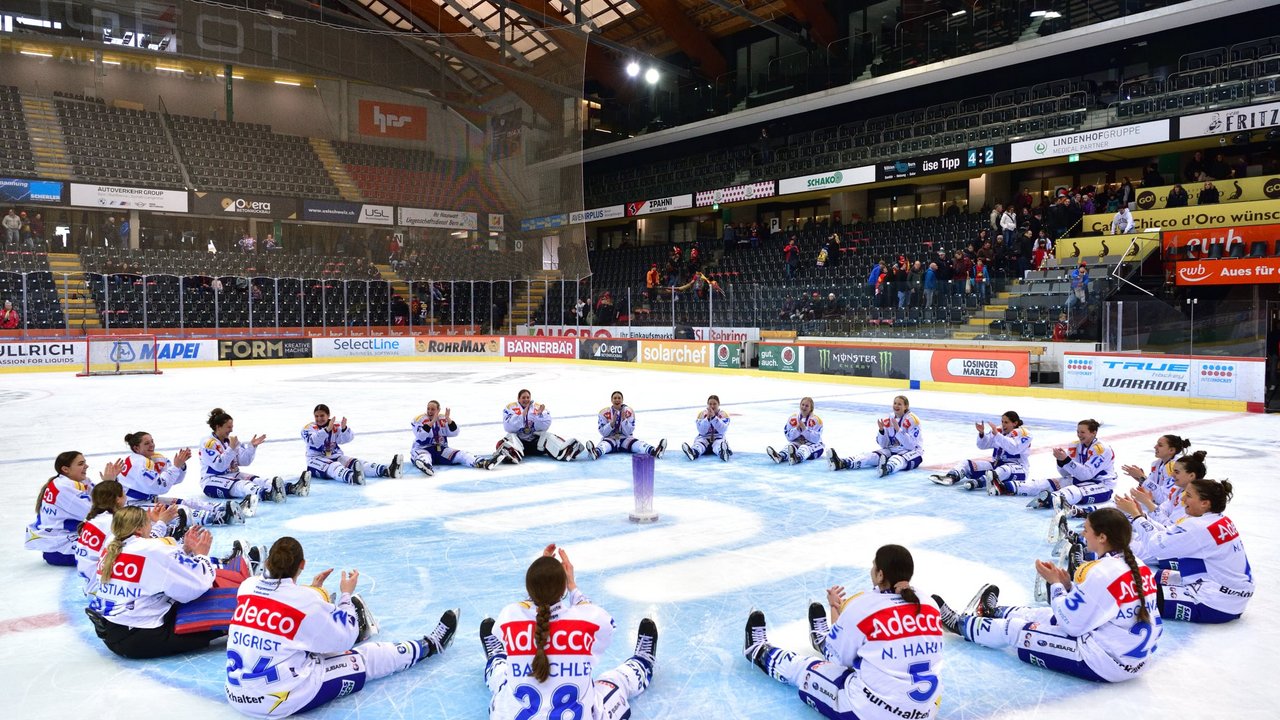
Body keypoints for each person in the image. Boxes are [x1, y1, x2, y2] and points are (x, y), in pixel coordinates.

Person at [225, 537, 458, 717]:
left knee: (299, 641)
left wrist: (315, 593)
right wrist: (346, 594)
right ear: (302, 565)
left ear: (267, 563)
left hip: (236, 694)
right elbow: (346, 637)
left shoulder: (247, 587)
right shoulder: (305, 602)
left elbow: (282, 601)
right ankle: (430, 645)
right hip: (280, 699)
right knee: (366, 657)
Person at [933, 507, 1161, 682]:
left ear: (1102, 537)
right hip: (1127, 656)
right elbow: (1101, 607)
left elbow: (1071, 624)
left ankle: (961, 625)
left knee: (1017, 630)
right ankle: (993, 611)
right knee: (1043, 614)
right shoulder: (1137, 565)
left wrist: (1056, 585)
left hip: (1102, 661)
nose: (1083, 533)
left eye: (1087, 529)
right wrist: (1068, 586)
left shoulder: (1104, 572)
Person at [742, 544, 943, 719]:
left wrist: (836, 610)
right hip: (925, 711)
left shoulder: (864, 607)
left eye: (873, 565)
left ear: (880, 574)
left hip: (869, 712)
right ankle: (825, 638)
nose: (871, 569)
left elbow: (836, 659)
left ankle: (757, 650)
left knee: (806, 667)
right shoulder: (929, 603)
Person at [480, 544, 656, 720]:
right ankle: (643, 662)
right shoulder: (586, 619)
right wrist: (573, 587)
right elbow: (606, 625)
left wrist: (541, 576)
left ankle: (495, 658)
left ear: (529, 587)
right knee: (614, 681)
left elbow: (522, 612)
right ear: (563, 588)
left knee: (501, 673)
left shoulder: (510, 615)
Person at [86, 507, 250, 658]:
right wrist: (201, 555)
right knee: (213, 594)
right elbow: (196, 585)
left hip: (112, 632)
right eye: (148, 523)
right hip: (141, 638)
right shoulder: (151, 549)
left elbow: (157, 569)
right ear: (140, 528)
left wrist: (185, 550)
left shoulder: (111, 546)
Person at [1122, 479, 1252, 624]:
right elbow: (1169, 533)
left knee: (1137, 597)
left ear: (1205, 503)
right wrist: (1144, 518)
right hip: (1230, 591)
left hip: (1216, 603)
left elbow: (1156, 547)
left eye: (1188, 495)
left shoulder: (1198, 527)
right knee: (1152, 578)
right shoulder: (1217, 519)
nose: (1183, 499)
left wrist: (1136, 516)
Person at [120, 431, 248, 528]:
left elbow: (174, 479)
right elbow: (160, 487)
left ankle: (220, 508)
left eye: (152, 441)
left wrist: (180, 466)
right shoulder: (140, 463)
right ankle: (217, 517)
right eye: (146, 443)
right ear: (136, 448)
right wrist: (176, 466)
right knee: (180, 512)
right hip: (134, 506)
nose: (152, 445)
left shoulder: (154, 458)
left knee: (186, 502)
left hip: (145, 499)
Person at [990, 419, 1115, 512]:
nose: (1079, 435)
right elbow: (1067, 473)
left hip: (1101, 485)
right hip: (1078, 480)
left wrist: (1066, 460)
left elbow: (1086, 474)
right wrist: (1061, 461)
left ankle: (1052, 499)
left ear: (1094, 433)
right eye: (1078, 431)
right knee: (1044, 484)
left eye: (1083, 432)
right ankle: (1006, 487)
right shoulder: (1075, 445)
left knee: (1071, 491)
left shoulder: (1101, 449)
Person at [25, 452, 125, 566]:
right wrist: (109, 484)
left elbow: (99, 500)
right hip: (60, 550)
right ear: (66, 469)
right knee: (122, 548)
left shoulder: (75, 482)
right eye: (81, 464)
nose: (86, 466)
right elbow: (98, 511)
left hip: (62, 543)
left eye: (85, 463)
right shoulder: (64, 488)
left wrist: (109, 483)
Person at [202, 408, 308, 504]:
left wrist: (252, 447)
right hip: (212, 480)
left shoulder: (231, 441)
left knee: (259, 480)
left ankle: (291, 488)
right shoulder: (208, 443)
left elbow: (244, 461)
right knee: (243, 485)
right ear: (218, 427)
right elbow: (219, 466)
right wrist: (231, 449)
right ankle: (268, 495)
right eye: (228, 427)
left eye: (232, 427)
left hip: (232, 475)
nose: (231, 430)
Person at [930, 411, 1032, 491]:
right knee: (966, 463)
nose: (1003, 424)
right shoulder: (999, 431)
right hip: (996, 466)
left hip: (1018, 469)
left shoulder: (1024, 434)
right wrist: (982, 434)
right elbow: (983, 445)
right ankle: (951, 477)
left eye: (1006, 422)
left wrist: (997, 434)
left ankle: (979, 482)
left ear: (1015, 423)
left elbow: (1013, 448)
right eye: (1002, 421)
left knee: (1003, 470)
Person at [303, 404, 403, 485]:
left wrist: (344, 429)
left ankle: (387, 470)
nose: (319, 419)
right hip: (315, 460)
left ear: (328, 415)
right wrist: (326, 430)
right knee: (334, 466)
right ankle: (352, 477)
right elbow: (313, 441)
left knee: (356, 463)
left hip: (334, 455)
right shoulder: (309, 428)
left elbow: (346, 439)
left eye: (322, 416)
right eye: (316, 416)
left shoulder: (335, 425)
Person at [828, 395, 922, 476]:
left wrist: (898, 430)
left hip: (912, 452)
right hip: (892, 449)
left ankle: (887, 469)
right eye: (895, 403)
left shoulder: (912, 420)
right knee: (871, 456)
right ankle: (842, 463)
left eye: (899, 404)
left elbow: (911, 445)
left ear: (906, 406)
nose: (896, 406)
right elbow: (884, 445)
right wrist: (881, 431)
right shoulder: (889, 418)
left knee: (897, 459)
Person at [489, 389, 585, 464]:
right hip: (519, 445)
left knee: (547, 435)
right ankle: (511, 454)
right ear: (518, 399)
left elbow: (545, 426)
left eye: (528, 397)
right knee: (509, 437)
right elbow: (508, 427)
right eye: (523, 397)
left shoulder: (538, 407)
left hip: (536, 445)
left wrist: (538, 415)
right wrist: (522, 416)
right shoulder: (510, 407)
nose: (526, 399)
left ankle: (564, 451)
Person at [410, 400, 494, 475]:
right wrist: (432, 422)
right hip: (422, 449)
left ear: (438, 410)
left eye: (433, 409)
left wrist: (448, 419)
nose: (430, 411)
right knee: (424, 456)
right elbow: (420, 436)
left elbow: (455, 433)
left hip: (441, 450)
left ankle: (480, 462)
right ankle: (425, 465)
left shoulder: (442, 418)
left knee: (461, 454)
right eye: (428, 409)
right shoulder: (419, 419)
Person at [586, 391, 667, 460]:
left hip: (625, 439)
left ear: (622, 400)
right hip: (610, 439)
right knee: (604, 446)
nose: (617, 400)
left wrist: (624, 420)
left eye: (619, 398)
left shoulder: (629, 412)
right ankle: (595, 453)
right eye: (615, 398)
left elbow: (629, 431)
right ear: (611, 400)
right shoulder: (604, 412)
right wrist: (611, 423)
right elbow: (603, 433)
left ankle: (655, 451)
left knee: (639, 445)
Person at [766, 397, 825, 465]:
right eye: (802, 405)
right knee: (790, 446)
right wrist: (796, 430)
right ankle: (780, 456)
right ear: (800, 405)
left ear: (811, 408)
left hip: (814, 446)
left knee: (804, 448)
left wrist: (805, 430)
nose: (804, 407)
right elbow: (789, 437)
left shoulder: (816, 420)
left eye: (807, 406)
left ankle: (797, 458)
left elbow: (816, 439)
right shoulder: (793, 418)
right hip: (798, 442)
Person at [682, 394, 731, 461]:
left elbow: (722, 430)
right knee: (699, 444)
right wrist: (707, 419)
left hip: (718, 437)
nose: (712, 406)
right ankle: (693, 453)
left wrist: (714, 418)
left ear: (718, 404)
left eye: (714, 404)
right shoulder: (702, 414)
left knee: (718, 445)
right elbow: (701, 431)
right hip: (704, 437)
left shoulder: (723, 414)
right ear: (707, 404)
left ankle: (723, 453)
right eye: (710, 404)